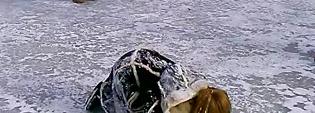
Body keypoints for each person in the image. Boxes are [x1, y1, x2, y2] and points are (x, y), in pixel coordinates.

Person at [85, 48, 231, 113]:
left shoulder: (202, 94)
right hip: (130, 68)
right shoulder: (147, 103)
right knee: (121, 106)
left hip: (152, 65)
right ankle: (102, 93)